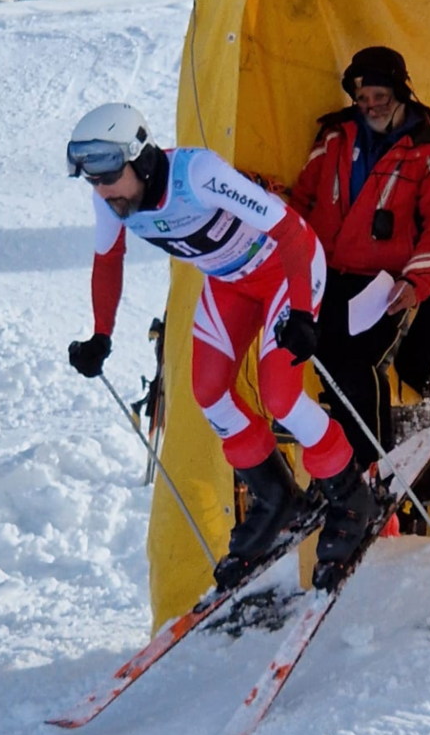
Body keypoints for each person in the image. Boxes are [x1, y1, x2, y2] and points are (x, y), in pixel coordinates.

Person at [65, 102, 375, 591]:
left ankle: (350, 494)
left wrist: (299, 312)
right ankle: (278, 499)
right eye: (93, 181)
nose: (103, 191)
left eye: (109, 176)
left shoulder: (199, 174)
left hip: (284, 269)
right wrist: (101, 335)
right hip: (231, 282)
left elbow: (292, 233)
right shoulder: (110, 201)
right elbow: (108, 261)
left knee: (281, 395)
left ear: (141, 159)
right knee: (209, 392)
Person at [289, 46, 430, 470]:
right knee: (324, 362)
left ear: (401, 91)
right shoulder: (334, 135)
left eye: (379, 97)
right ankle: (345, 466)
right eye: (362, 98)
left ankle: (367, 466)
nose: (369, 106)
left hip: (383, 283)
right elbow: (303, 197)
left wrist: (414, 282)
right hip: (325, 273)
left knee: (355, 364)